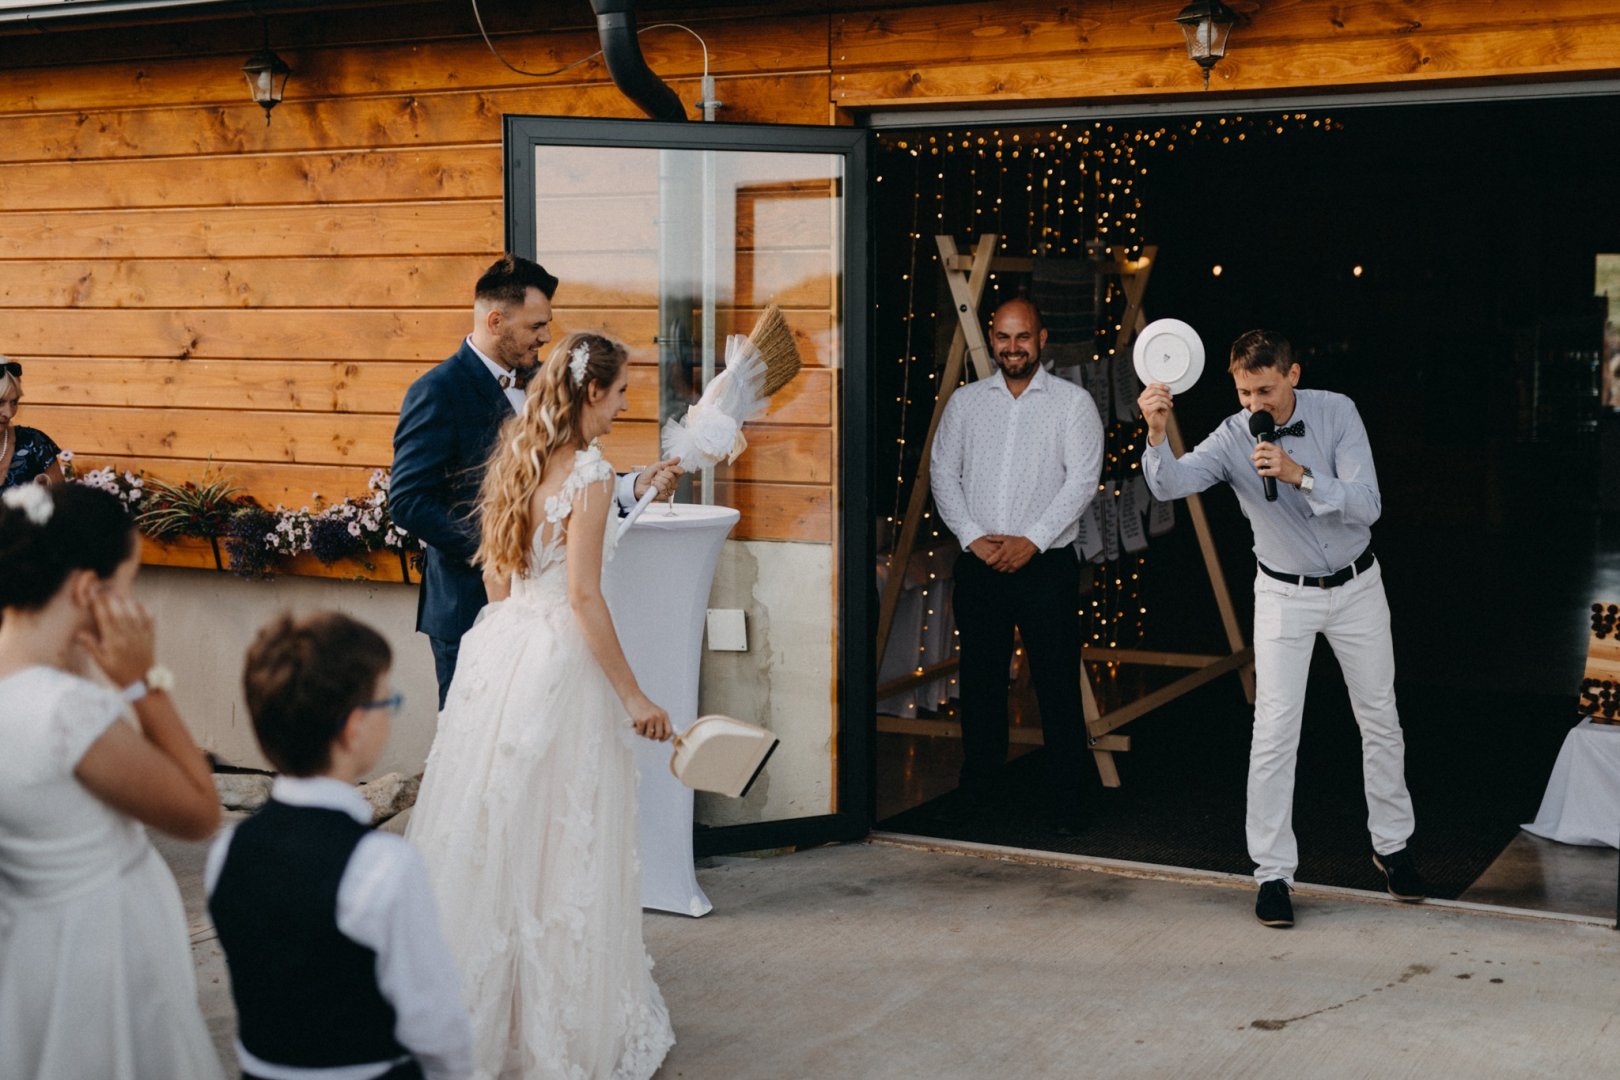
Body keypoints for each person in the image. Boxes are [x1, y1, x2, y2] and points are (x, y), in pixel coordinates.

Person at [406, 331, 676, 1078]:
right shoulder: (589, 471)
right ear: (592, 391)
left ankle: (481, 1010)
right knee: (561, 837)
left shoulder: (517, 455)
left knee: (498, 833)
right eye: (620, 393)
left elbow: (499, 574)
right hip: (560, 662)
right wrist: (633, 694)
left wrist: (512, 639)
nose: (624, 407)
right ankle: (550, 1017)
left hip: (503, 647)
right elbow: (584, 596)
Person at [1138, 328, 1426, 928]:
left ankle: (1393, 847)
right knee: (1273, 731)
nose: (1254, 406)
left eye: (1264, 391)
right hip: (1282, 595)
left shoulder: (1337, 412)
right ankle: (1272, 873)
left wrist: (1300, 475)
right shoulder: (1231, 436)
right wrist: (1157, 434)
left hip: (1357, 586)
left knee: (1379, 716)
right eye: (1244, 393)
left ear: (1293, 375)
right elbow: (1170, 485)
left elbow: (1369, 505)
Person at [0, 483, 222, 1080]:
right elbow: (199, 811)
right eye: (128, 584)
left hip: (32, 947)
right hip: (101, 949)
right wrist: (143, 680)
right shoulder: (68, 713)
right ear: (86, 590)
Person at [389, 255, 680, 707]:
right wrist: (505, 544)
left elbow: (558, 477)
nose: (546, 336)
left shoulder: (543, 382)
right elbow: (409, 501)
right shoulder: (437, 391)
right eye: (536, 326)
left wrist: (632, 486)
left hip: (545, 625)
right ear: (496, 321)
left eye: (547, 325)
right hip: (470, 606)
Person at [207, 612, 473, 1080]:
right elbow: (436, 1027)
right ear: (354, 727)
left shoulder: (227, 853)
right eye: (386, 700)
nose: (390, 711)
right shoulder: (384, 865)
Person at [930, 297, 1105, 833]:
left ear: (1041, 339)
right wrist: (971, 538)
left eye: (1022, 337)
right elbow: (943, 472)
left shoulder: (1073, 404)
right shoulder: (965, 404)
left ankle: (1068, 802)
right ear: (992, 339)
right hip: (980, 563)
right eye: (1003, 337)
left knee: (1056, 684)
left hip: (1045, 566)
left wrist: (1032, 541)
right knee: (981, 684)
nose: (1013, 348)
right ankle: (980, 794)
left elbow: (1082, 481)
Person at [1, 357, 66, 490]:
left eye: (14, 402)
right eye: (0, 402)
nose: (9, 413)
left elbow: (64, 501)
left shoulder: (34, 443)